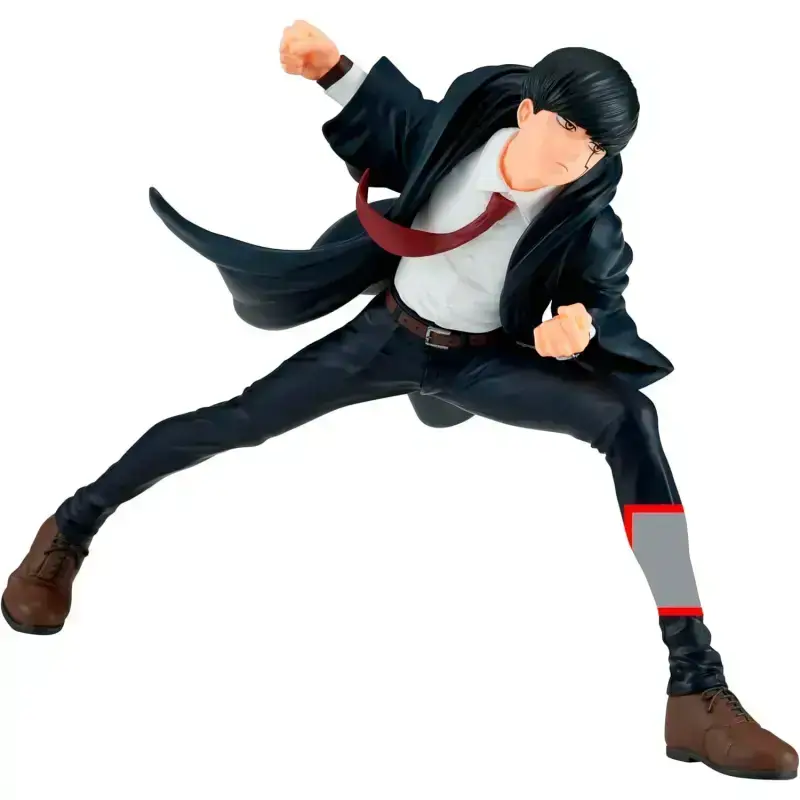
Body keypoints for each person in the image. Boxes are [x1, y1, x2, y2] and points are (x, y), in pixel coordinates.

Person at [4, 19, 796, 780]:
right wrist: (329, 66)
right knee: (241, 419)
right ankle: (70, 527)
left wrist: (578, 326)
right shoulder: (461, 137)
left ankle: (696, 684)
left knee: (632, 419)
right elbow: (396, 115)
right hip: (385, 339)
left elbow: (602, 295)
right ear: (528, 112)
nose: (576, 157)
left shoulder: (587, 220)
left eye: (596, 149)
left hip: (484, 365)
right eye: (568, 131)